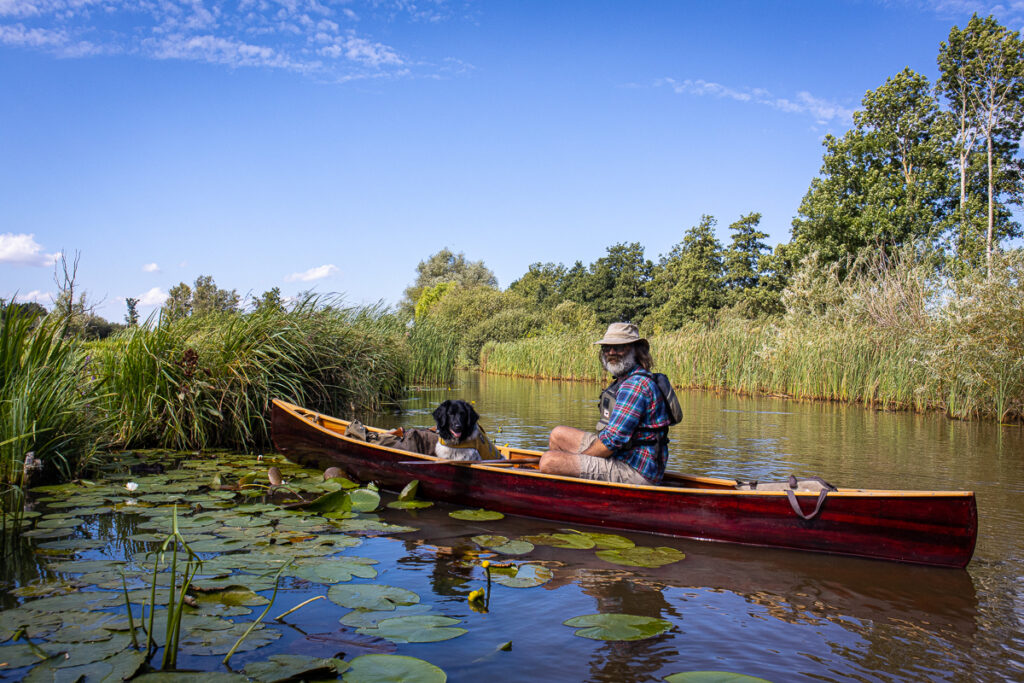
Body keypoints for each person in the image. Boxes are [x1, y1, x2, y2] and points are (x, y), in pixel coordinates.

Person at [540, 322, 672, 485]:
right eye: (606, 348)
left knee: (549, 462)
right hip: (623, 455)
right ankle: (574, 487)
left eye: (619, 347)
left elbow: (611, 442)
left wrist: (575, 460)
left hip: (635, 470)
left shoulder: (635, 385)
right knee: (558, 434)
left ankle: (572, 488)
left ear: (636, 350)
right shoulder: (626, 379)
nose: (611, 352)